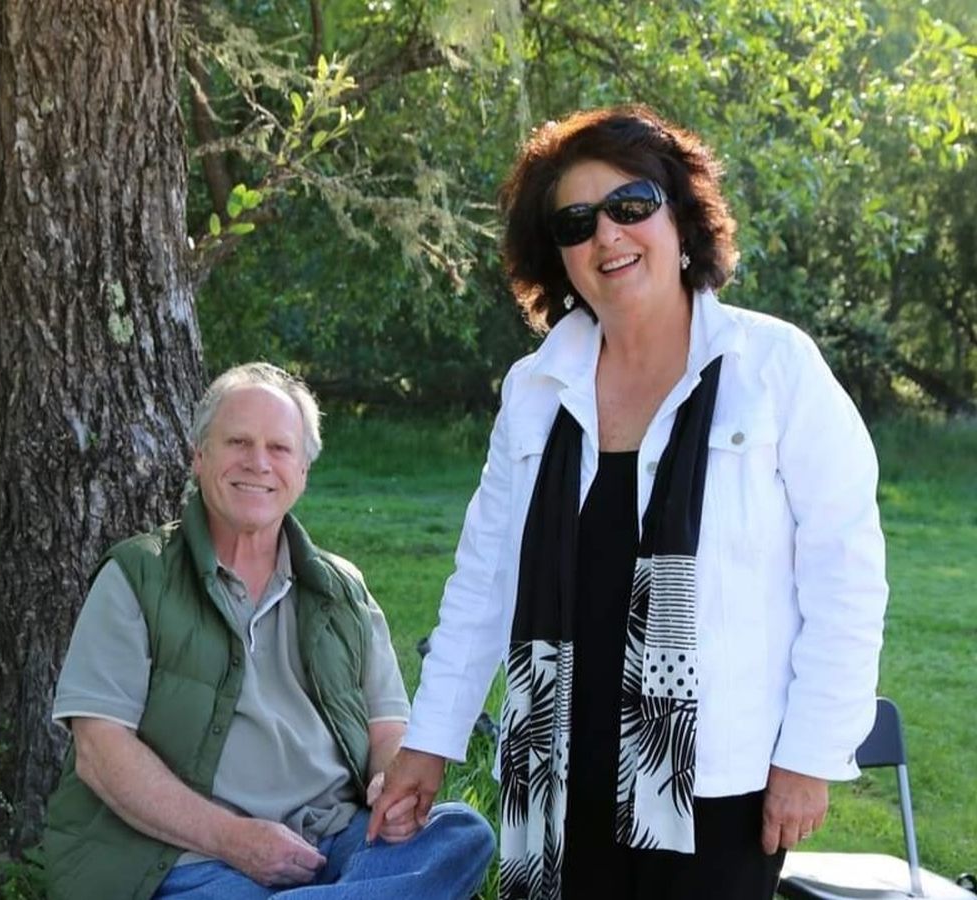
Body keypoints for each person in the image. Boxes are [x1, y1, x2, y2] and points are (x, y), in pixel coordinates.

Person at [369, 105, 888, 899]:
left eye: (631, 204)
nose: (607, 235)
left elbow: (845, 577)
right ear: (558, 257)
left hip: (715, 780)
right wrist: (428, 743)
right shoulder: (535, 391)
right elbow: (482, 585)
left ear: (681, 218)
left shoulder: (774, 369)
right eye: (576, 223)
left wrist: (810, 755)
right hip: (553, 768)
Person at [43, 362, 494, 900]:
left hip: (337, 841)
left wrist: (385, 785)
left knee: (462, 834)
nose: (258, 462)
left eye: (279, 448)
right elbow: (100, 753)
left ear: (302, 470)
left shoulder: (343, 588)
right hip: (192, 857)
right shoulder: (136, 576)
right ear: (199, 456)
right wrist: (233, 839)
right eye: (238, 442)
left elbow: (386, 729)